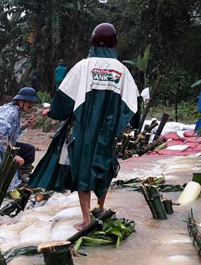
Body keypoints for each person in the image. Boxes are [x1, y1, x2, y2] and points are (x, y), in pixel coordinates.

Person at [29, 23, 139, 230]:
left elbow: (64, 96)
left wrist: (53, 111)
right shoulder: (122, 70)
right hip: (107, 133)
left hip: (83, 131)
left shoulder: (83, 66)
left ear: (93, 41)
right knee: (104, 166)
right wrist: (125, 124)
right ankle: (101, 206)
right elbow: (133, 102)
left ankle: (86, 219)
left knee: (82, 170)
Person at [0, 87, 38, 195]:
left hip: (3, 143)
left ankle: (21, 177)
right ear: (20, 101)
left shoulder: (14, 110)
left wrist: (25, 125)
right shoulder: (11, 112)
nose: (31, 104)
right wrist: (12, 155)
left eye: (32, 102)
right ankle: (12, 186)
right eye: (29, 101)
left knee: (29, 150)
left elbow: (11, 130)